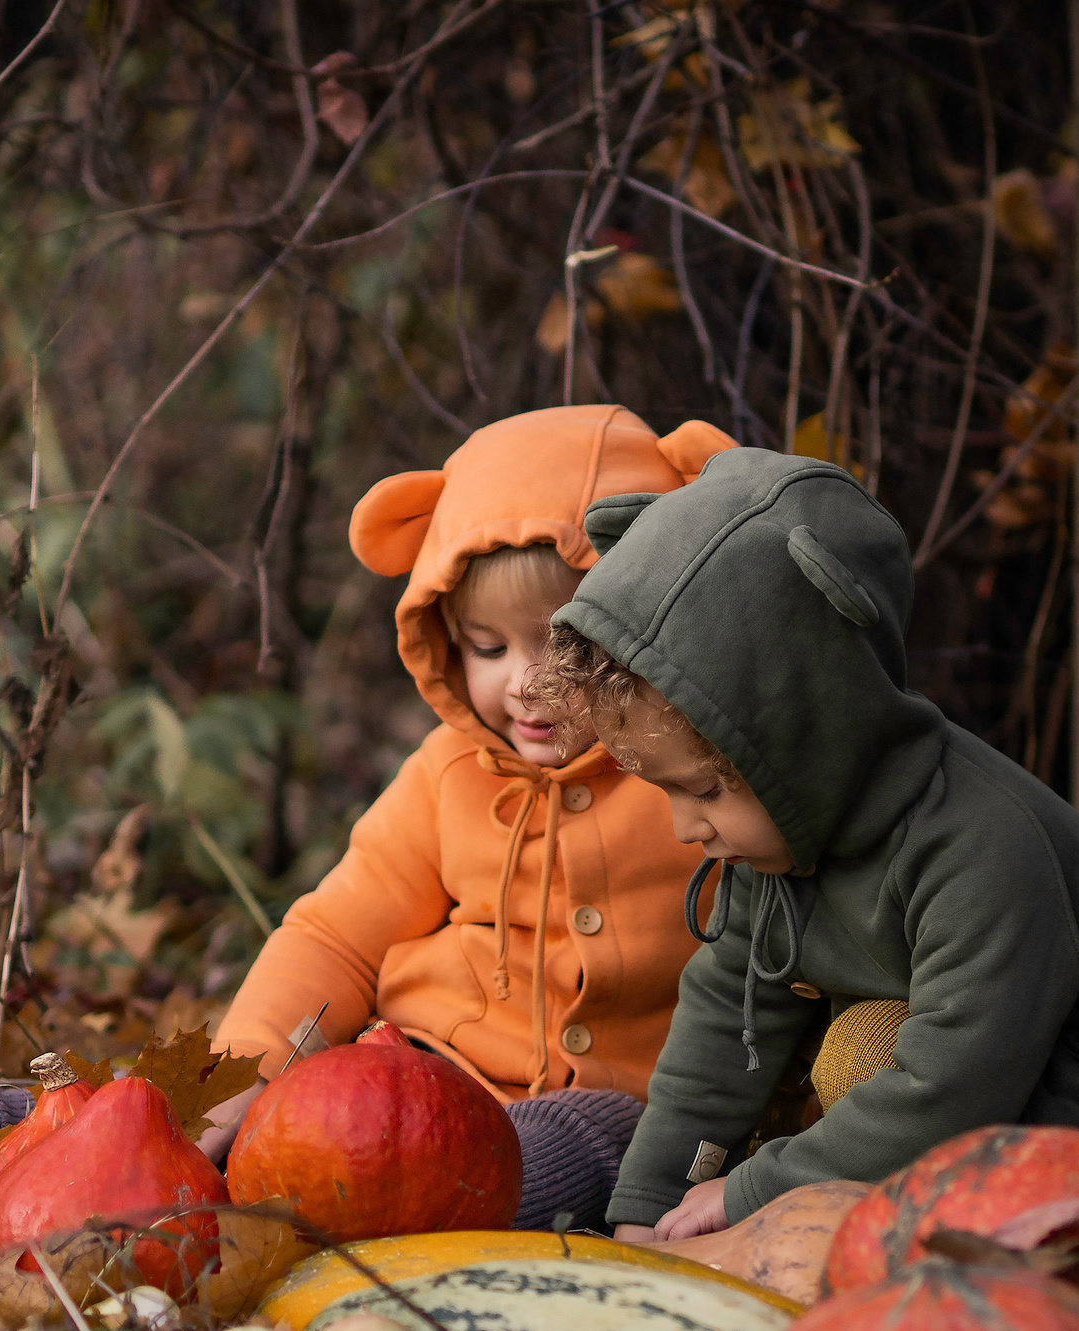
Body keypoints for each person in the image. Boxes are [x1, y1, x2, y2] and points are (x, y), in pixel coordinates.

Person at [527, 447, 1079, 1242]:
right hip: (986, 1092)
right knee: (822, 1063)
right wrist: (649, 1205)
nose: (688, 826)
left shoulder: (983, 850)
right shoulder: (776, 845)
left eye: (708, 789)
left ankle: (926, 1272)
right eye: (668, 792)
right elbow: (727, 1019)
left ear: (808, 739)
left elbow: (957, 1080)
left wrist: (754, 1191)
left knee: (862, 1054)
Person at [199, 405, 738, 1232]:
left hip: (616, 1111)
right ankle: (43, 1130)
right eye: (487, 649)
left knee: (548, 1152)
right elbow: (337, 936)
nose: (523, 684)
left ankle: (376, 1219)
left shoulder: (701, 779)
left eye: (565, 647)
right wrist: (258, 1070)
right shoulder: (448, 773)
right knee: (297, 1125)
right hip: (417, 1072)